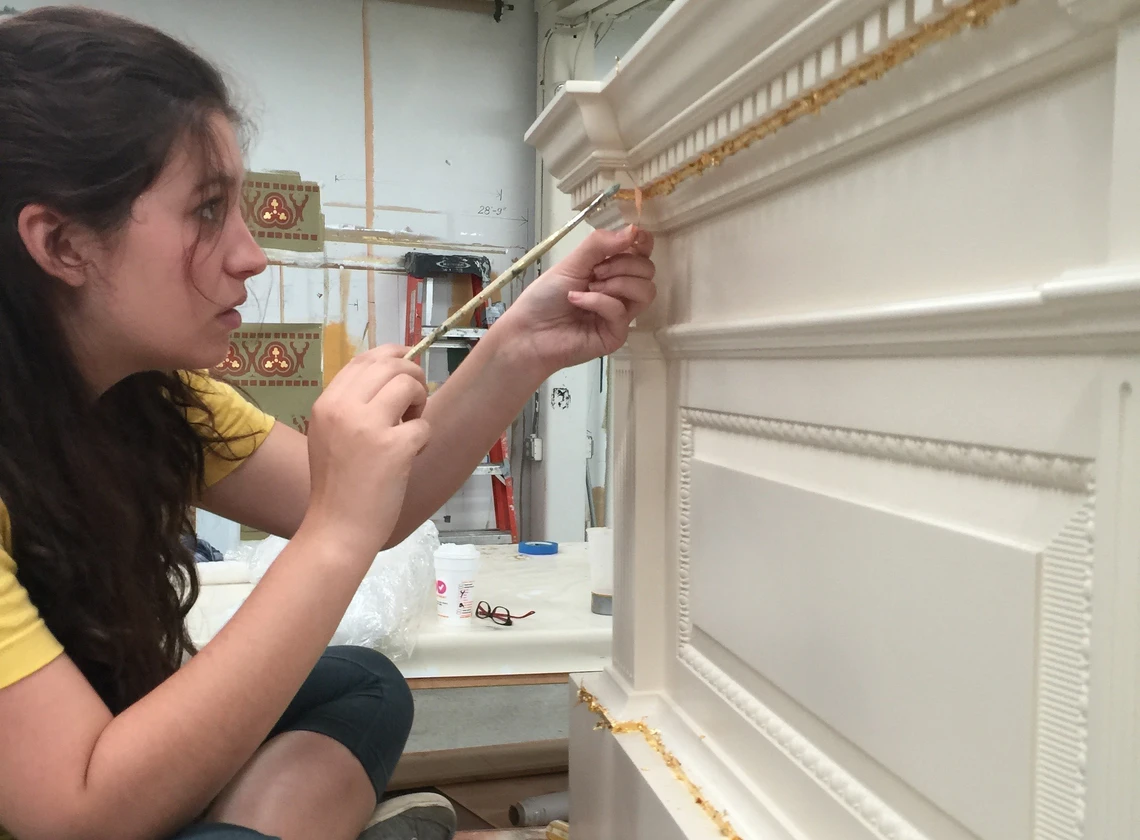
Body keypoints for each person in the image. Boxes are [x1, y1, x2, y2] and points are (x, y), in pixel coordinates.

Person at [0, 7, 656, 840]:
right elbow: (79, 813)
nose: (252, 253)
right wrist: (334, 530)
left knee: (361, 684)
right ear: (61, 243)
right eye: (207, 210)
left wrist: (521, 342)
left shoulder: (157, 396)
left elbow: (385, 498)